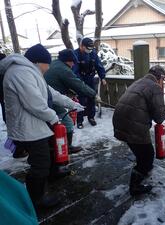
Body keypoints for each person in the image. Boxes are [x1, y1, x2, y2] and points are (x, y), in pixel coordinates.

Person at [0, 44, 84, 209]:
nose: (48, 67)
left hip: (36, 124)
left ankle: (53, 173)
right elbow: (34, 103)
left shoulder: (31, 72)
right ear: (39, 62)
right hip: (27, 129)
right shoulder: (20, 72)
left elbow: (51, 93)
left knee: (50, 150)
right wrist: (54, 118)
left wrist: (72, 104)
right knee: (40, 163)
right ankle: (36, 199)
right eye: (47, 64)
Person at [112, 65, 165, 196]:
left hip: (119, 121)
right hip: (134, 125)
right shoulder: (155, 87)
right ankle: (135, 186)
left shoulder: (138, 82)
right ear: (160, 78)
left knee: (140, 150)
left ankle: (142, 167)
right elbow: (159, 117)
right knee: (147, 156)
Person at [45, 49, 97, 154]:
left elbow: (57, 83)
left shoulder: (55, 64)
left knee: (51, 124)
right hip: (51, 99)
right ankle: (67, 147)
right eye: (72, 61)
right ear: (67, 60)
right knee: (67, 123)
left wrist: (67, 91)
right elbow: (78, 84)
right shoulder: (63, 69)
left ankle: (52, 145)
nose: (73, 64)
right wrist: (94, 94)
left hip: (46, 97)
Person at [73, 37, 106, 129]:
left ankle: (91, 117)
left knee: (92, 98)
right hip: (80, 80)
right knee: (81, 101)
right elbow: (74, 71)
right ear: (82, 46)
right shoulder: (75, 54)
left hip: (90, 79)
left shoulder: (93, 54)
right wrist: (80, 82)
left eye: (91, 49)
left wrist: (102, 77)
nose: (89, 50)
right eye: (88, 48)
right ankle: (80, 121)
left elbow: (99, 66)